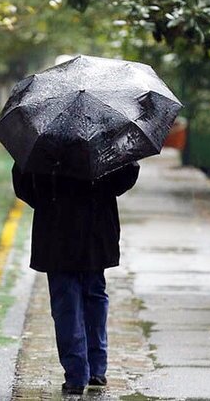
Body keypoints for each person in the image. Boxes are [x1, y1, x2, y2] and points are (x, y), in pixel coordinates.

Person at [12, 161, 140, 395]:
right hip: (96, 228)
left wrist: (48, 200)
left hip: (56, 229)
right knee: (94, 295)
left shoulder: (44, 145)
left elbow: (23, 184)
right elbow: (125, 177)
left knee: (65, 302)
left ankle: (76, 374)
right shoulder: (105, 142)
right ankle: (96, 369)